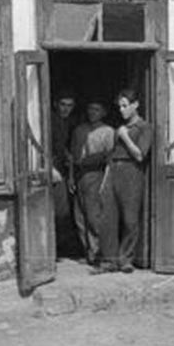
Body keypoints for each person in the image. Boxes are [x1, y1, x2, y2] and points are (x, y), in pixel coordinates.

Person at [96, 88, 151, 274]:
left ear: (135, 105)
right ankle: (110, 260)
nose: (121, 110)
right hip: (114, 170)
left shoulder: (144, 127)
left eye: (125, 105)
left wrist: (125, 136)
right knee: (108, 216)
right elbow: (111, 153)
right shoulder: (120, 127)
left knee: (130, 219)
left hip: (132, 172)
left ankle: (126, 259)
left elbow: (140, 155)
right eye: (119, 106)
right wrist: (106, 174)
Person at [72, 99, 114, 267]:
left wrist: (106, 180)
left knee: (94, 216)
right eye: (90, 108)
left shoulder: (108, 131)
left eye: (97, 109)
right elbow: (73, 156)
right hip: (79, 175)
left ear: (103, 112)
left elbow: (110, 158)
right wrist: (70, 177)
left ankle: (100, 253)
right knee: (79, 216)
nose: (92, 112)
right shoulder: (79, 130)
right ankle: (88, 252)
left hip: (96, 174)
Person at [51, 90, 84, 257]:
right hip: (51, 168)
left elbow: (67, 150)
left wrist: (70, 175)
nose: (66, 109)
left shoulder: (70, 123)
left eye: (70, 106)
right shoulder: (49, 120)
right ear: (56, 104)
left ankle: (61, 248)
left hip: (64, 169)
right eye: (63, 105)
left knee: (64, 210)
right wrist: (50, 167)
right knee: (58, 210)